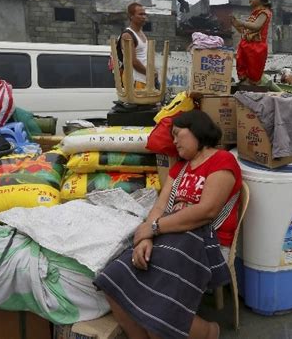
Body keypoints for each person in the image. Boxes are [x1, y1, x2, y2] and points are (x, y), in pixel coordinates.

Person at [95, 110, 243, 339]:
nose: (174, 141)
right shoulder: (180, 168)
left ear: (196, 129)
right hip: (171, 235)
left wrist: (153, 228)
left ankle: (208, 332)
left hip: (204, 243)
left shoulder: (222, 160)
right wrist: (145, 238)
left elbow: (207, 211)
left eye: (177, 134)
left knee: (155, 305)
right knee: (113, 280)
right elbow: (159, 207)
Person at [231, 0, 272, 85]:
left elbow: (257, 26)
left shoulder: (264, 13)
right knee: (240, 61)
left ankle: (251, 82)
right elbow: (244, 31)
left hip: (256, 47)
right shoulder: (253, 14)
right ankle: (243, 79)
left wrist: (242, 23)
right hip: (246, 44)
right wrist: (236, 24)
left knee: (253, 67)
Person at [119, 2, 157, 89]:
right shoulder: (127, 35)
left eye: (145, 14)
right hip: (136, 80)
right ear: (131, 16)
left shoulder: (141, 33)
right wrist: (150, 73)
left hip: (145, 80)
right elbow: (133, 61)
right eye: (140, 14)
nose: (144, 17)